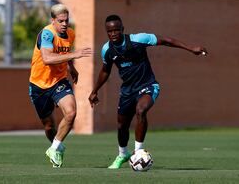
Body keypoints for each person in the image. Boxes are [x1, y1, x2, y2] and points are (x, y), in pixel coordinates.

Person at [88, 14, 207, 169]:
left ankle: (138, 152)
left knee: (141, 110)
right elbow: (105, 70)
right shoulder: (107, 50)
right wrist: (94, 90)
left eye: (116, 30)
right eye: (109, 31)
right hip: (127, 91)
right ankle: (123, 154)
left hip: (148, 85)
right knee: (122, 125)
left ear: (122, 29)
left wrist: (191, 48)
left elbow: (166, 40)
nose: (113, 34)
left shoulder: (139, 39)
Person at [29, 4, 93, 168]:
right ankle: (56, 146)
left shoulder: (70, 33)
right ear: (53, 20)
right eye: (61, 21)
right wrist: (75, 55)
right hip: (39, 85)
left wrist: (71, 67)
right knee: (49, 125)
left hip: (59, 81)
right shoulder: (47, 34)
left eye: (67, 20)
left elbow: (65, 52)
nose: (65, 24)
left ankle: (55, 147)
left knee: (71, 113)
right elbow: (47, 59)